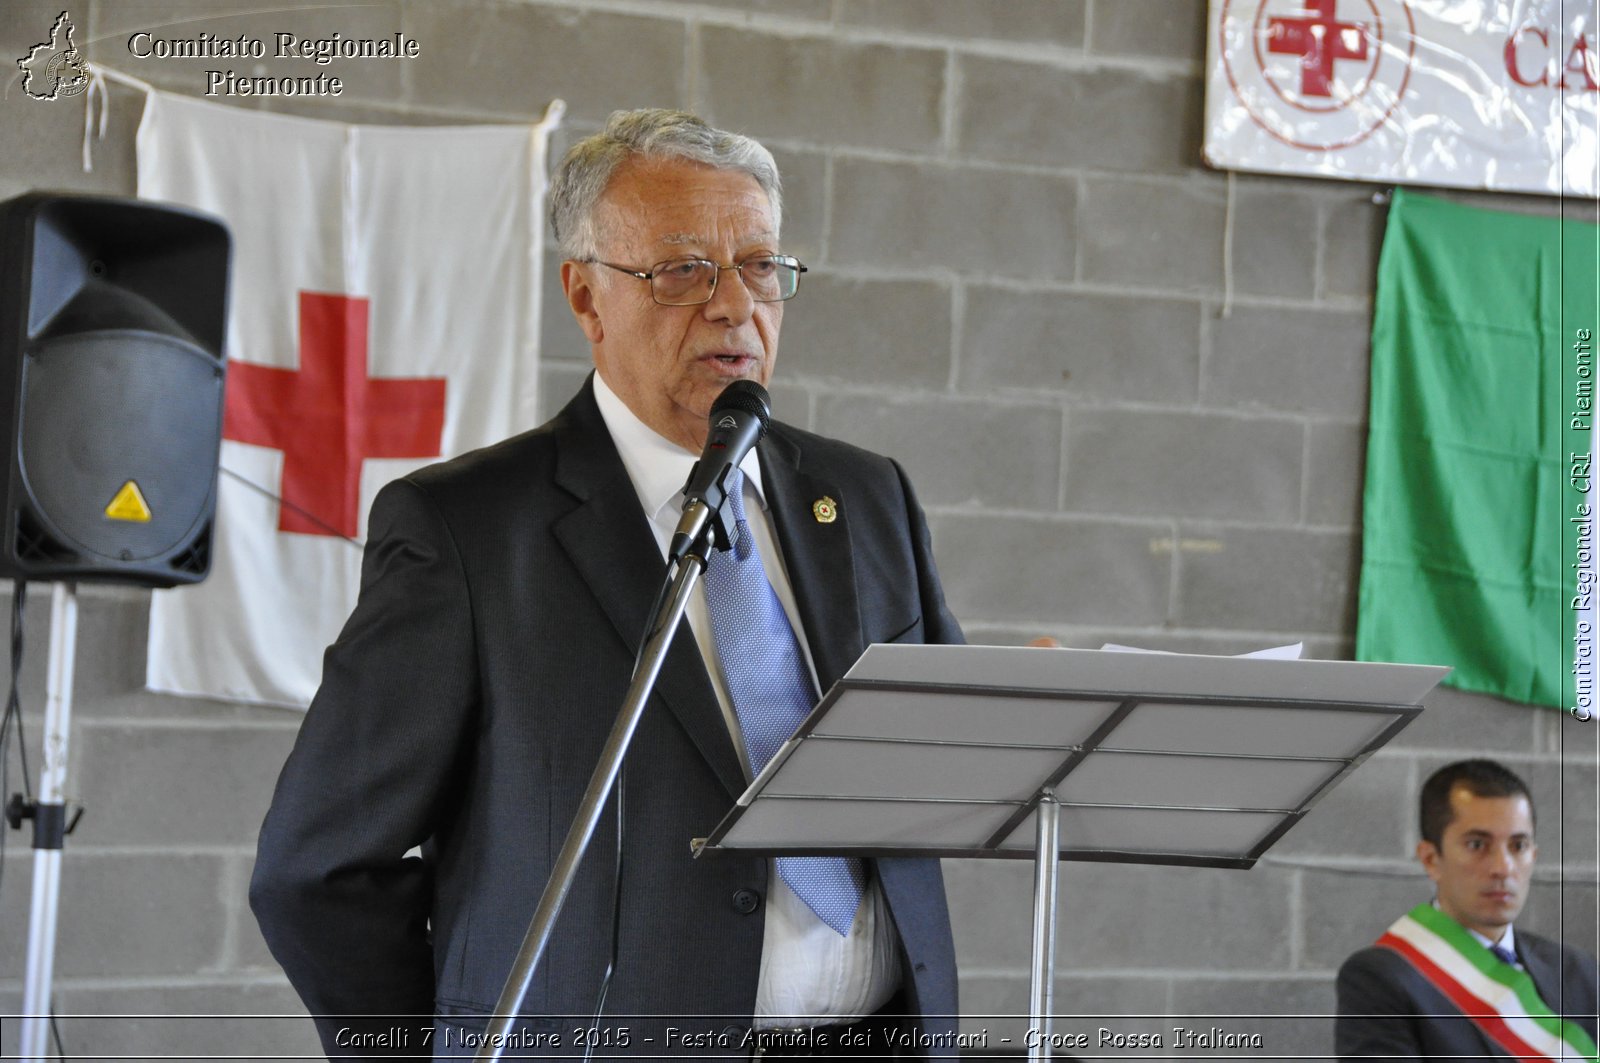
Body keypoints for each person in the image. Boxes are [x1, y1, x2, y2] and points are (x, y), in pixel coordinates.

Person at [249, 108, 963, 1059]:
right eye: (681, 270)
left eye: (759, 265)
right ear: (586, 298)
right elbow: (317, 868)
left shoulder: (866, 495)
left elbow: (948, 767)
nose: (733, 306)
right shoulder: (466, 533)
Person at [1334, 759, 1598, 1060]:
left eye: (1518, 846)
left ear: (1534, 855)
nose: (1503, 867)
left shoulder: (1579, 971)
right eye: (1477, 845)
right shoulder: (1381, 977)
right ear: (1431, 859)